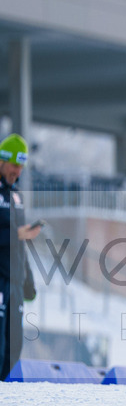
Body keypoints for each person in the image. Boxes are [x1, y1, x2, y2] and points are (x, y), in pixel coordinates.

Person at [0, 134, 41, 380]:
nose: (18, 172)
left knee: (13, 351)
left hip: (15, 282)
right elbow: (15, 235)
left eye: (21, 167)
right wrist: (16, 234)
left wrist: (28, 279)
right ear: (2, 161)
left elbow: (20, 242)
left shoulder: (17, 196)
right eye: (15, 166)